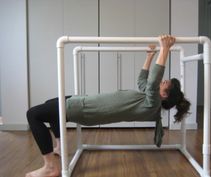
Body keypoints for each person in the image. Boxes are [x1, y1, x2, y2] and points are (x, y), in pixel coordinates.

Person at [26, 35, 190, 177]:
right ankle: (60, 147)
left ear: (163, 95)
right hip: (86, 101)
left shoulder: (152, 103)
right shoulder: (148, 97)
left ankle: (49, 167)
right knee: (50, 104)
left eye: (164, 83)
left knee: (33, 114)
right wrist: (149, 56)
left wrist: (165, 49)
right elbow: (143, 80)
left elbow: (154, 79)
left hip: (85, 108)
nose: (161, 81)